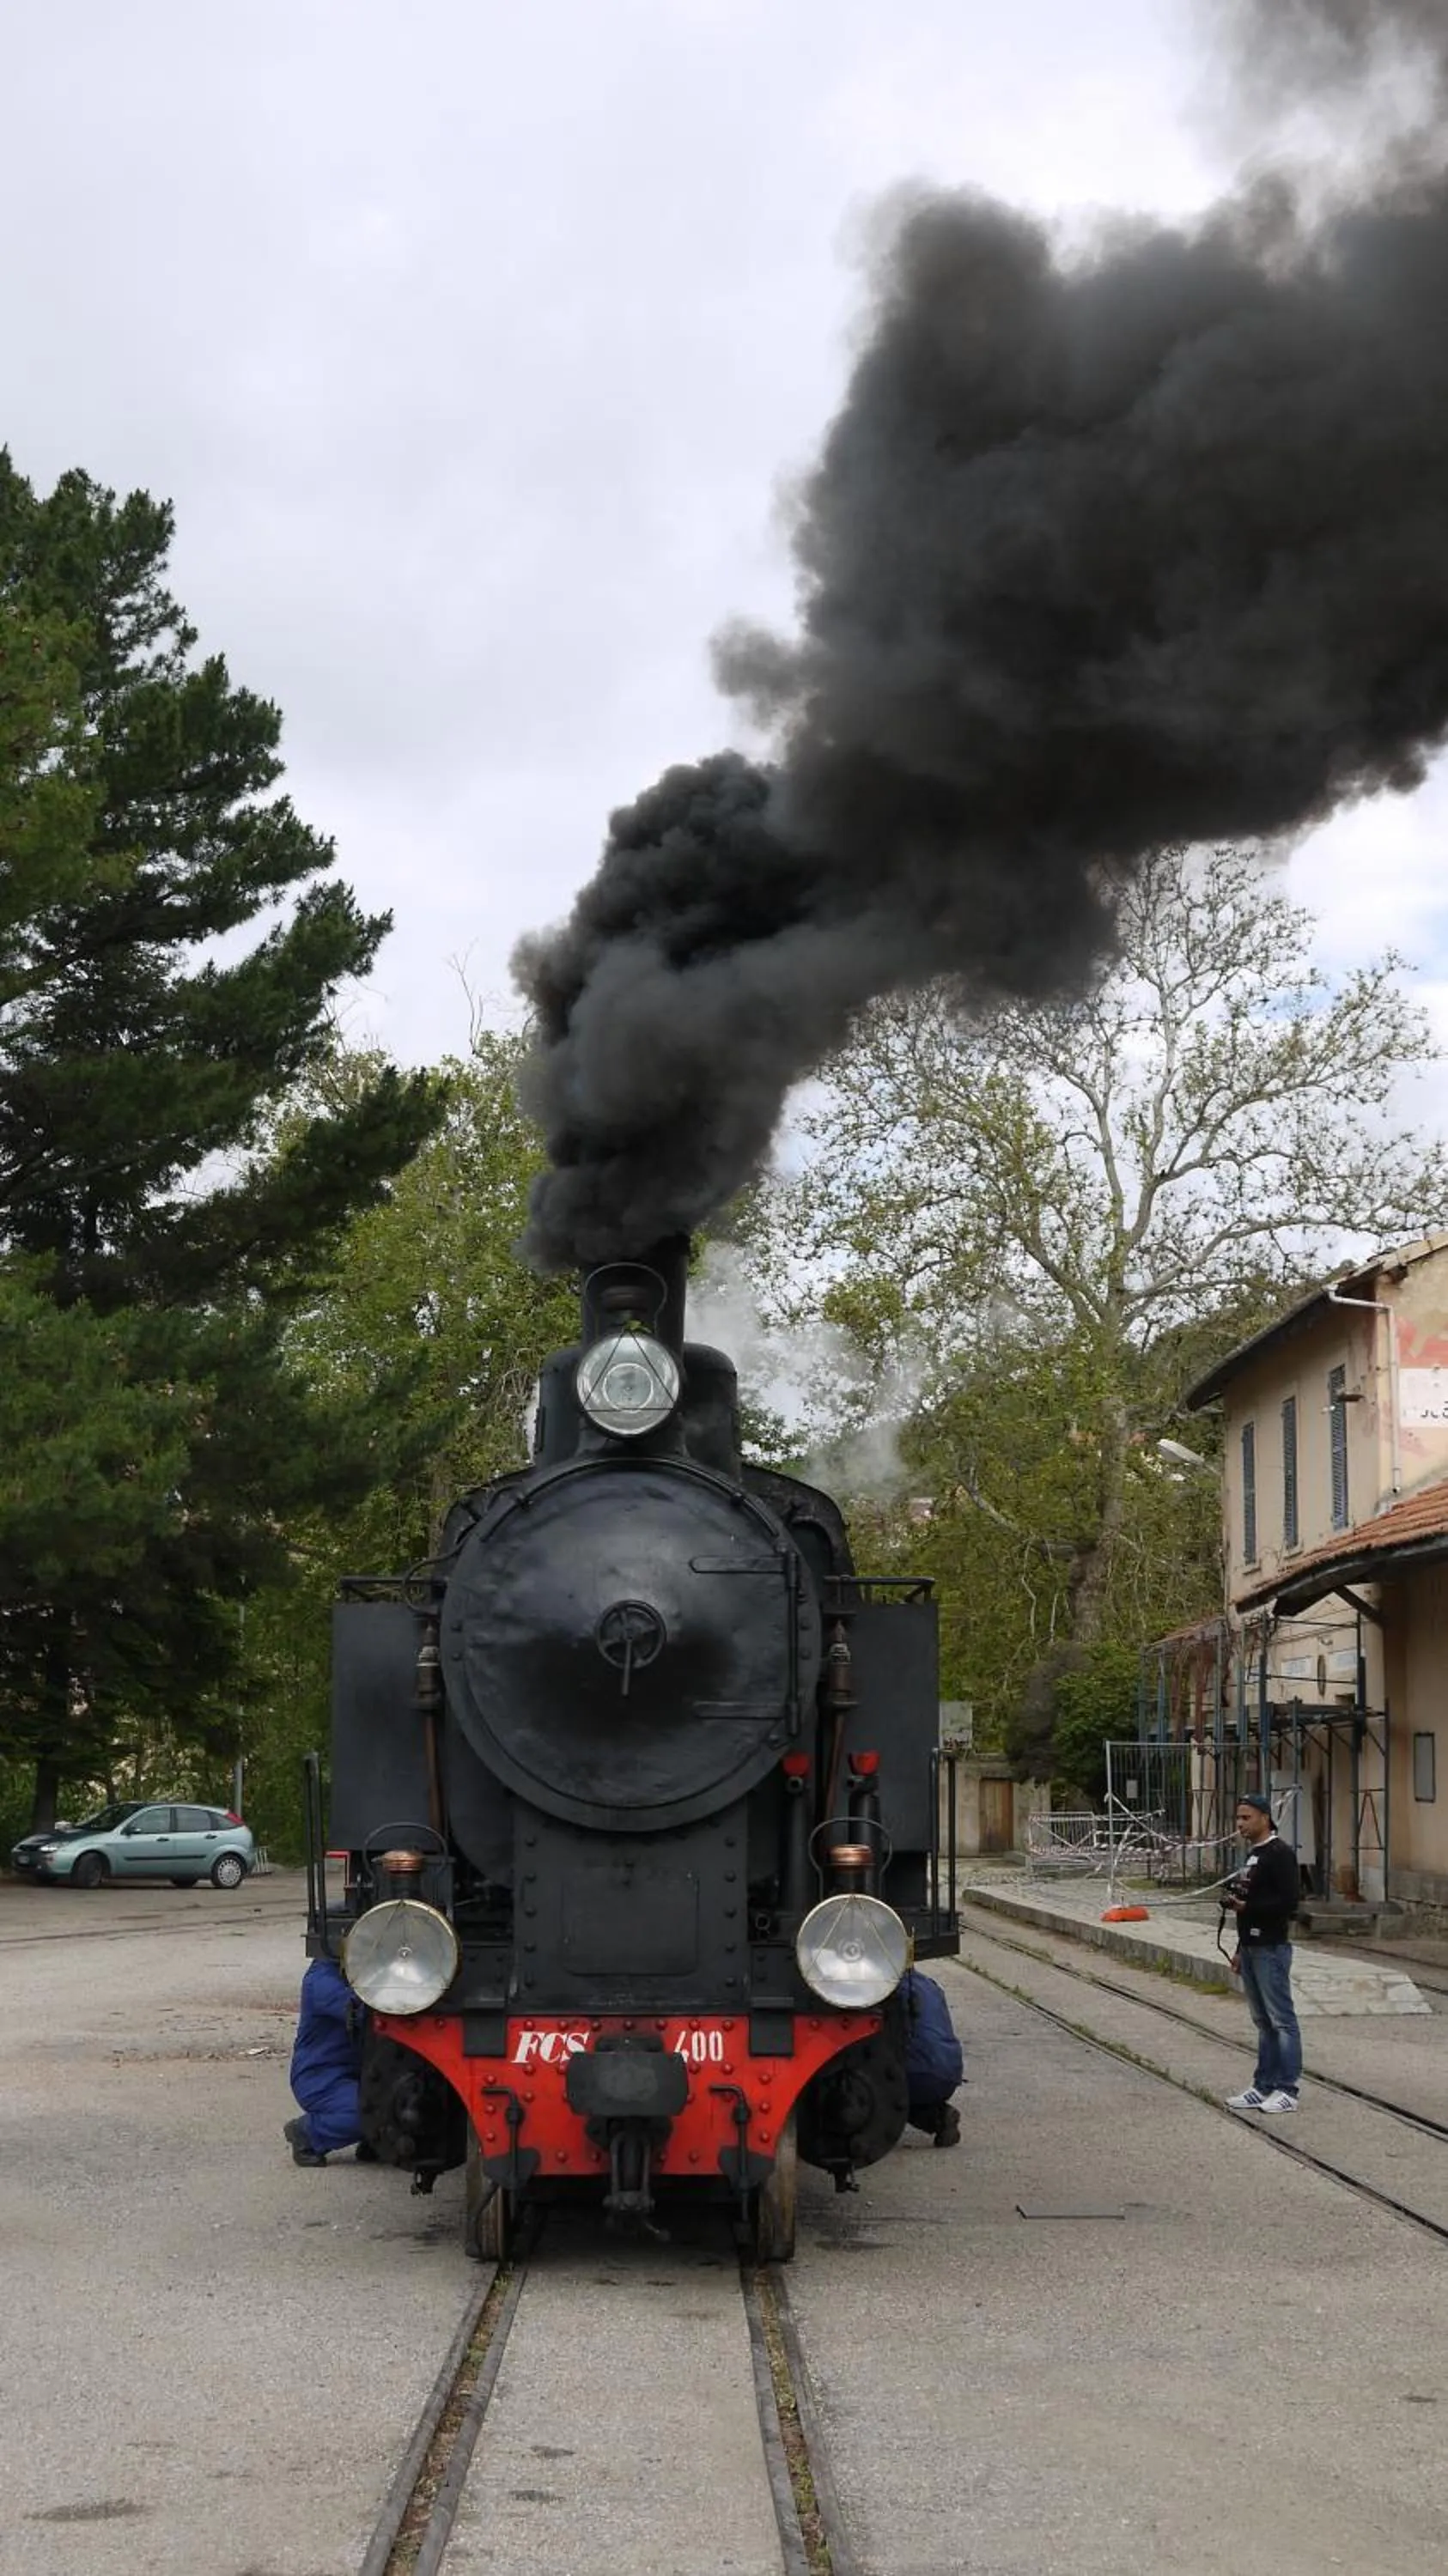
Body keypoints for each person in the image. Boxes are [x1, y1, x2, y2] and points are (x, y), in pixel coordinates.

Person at [1224, 1792, 1302, 2115]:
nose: (1240, 1824)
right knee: (1262, 2021)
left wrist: (1248, 1906)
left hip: (1271, 1947)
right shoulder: (1253, 1857)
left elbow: (1289, 1903)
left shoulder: (1279, 1853)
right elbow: (1248, 1907)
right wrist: (1240, 1948)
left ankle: (1287, 2088)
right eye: (1238, 1818)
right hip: (1252, 1948)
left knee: (1281, 2021)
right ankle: (1262, 2085)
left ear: (1264, 1818)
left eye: (1246, 1817)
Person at [284, 1953, 377, 2166]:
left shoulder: (356, 1970)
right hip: (320, 2076)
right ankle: (308, 2133)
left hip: (357, 2072)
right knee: (371, 2112)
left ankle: (374, 2139)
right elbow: (367, 2013)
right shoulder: (321, 1981)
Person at [903, 1965, 964, 2147]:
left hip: (914, 2075)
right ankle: (940, 2116)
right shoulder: (929, 1985)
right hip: (950, 2074)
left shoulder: (880, 1991)